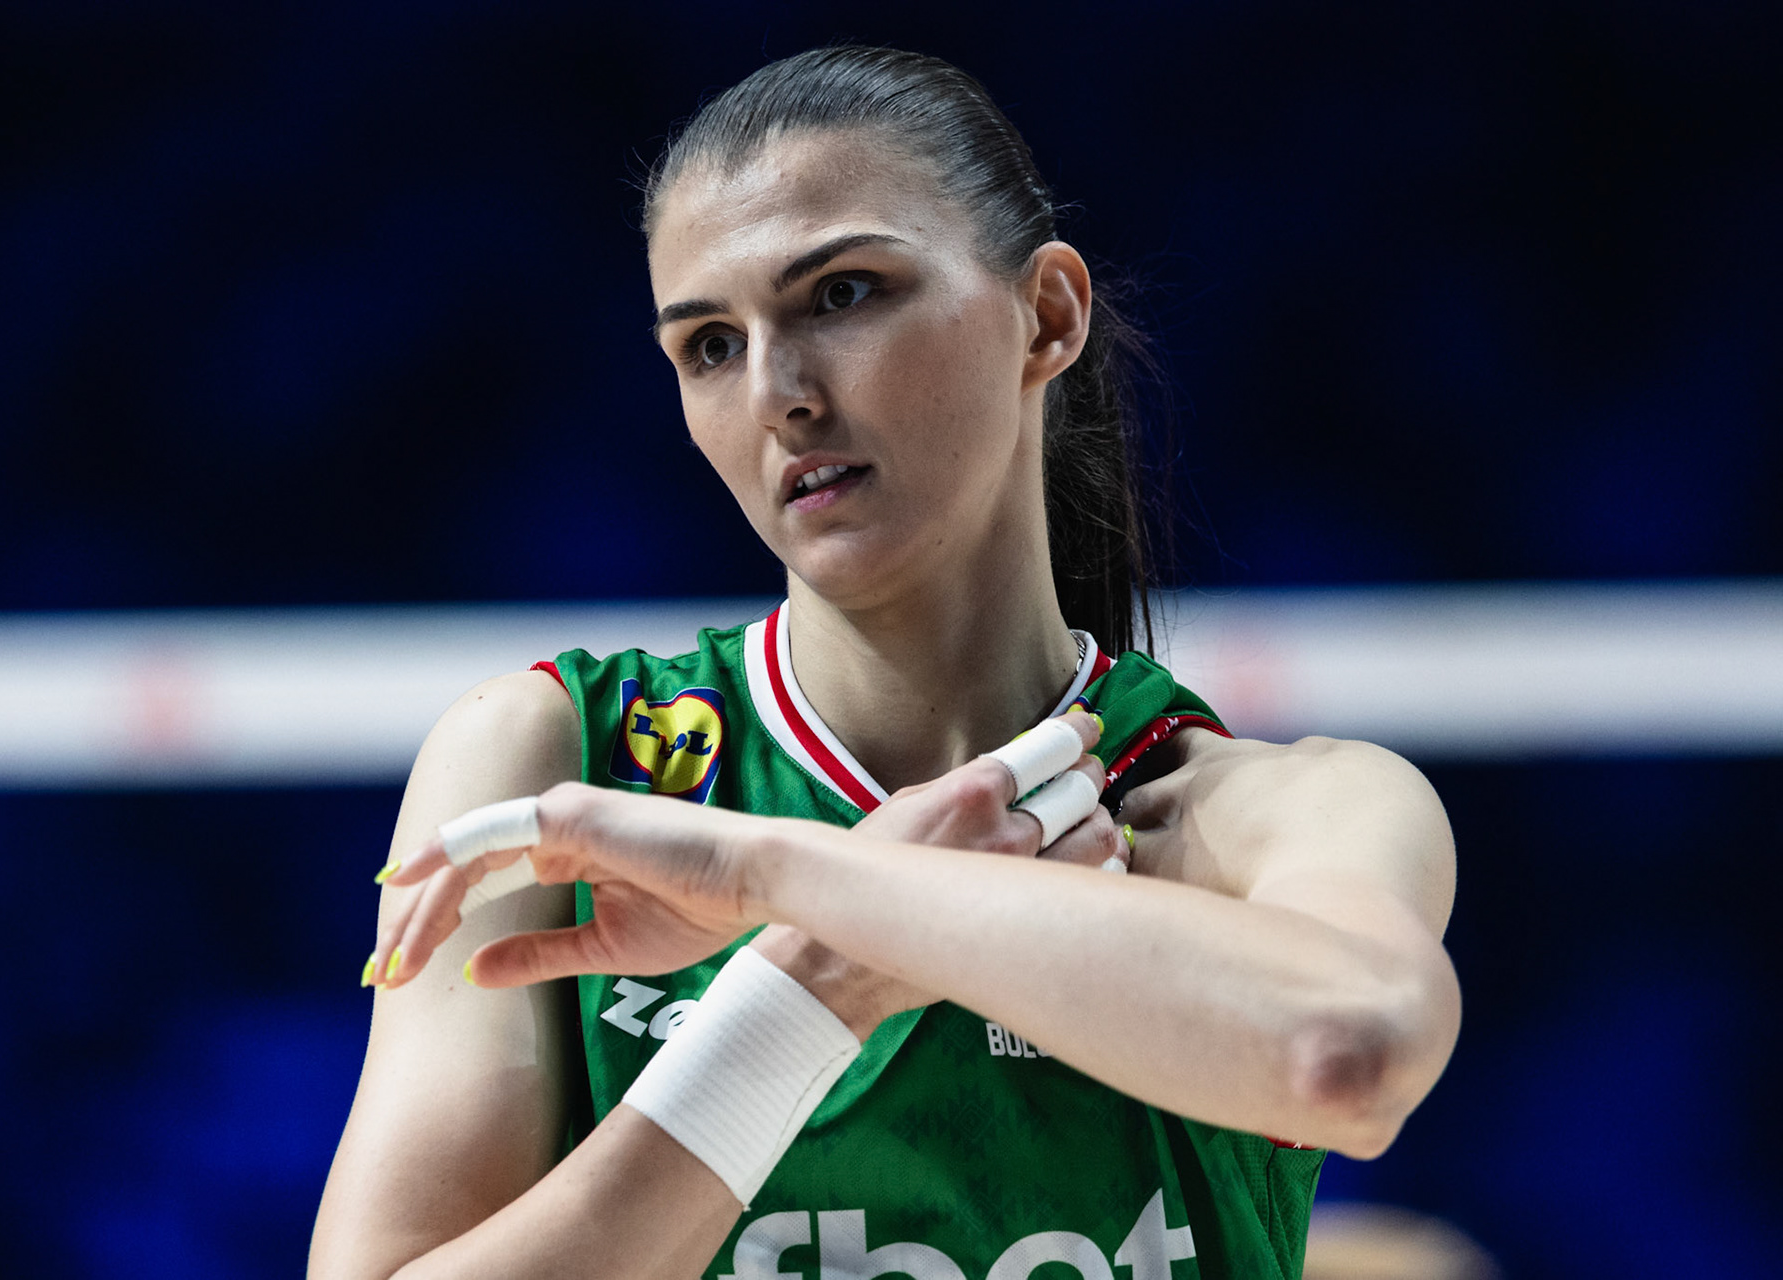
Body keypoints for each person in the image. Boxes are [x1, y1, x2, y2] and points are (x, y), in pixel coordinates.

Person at [309, 46, 1459, 1280]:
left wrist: (778, 874)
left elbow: (1347, 1054)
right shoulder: (551, 753)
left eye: (844, 293)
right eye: (708, 346)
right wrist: (802, 990)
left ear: (1049, 315)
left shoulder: (1257, 810)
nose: (777, 393)